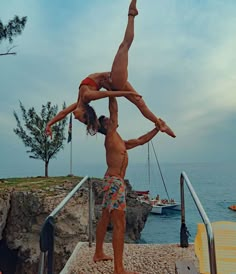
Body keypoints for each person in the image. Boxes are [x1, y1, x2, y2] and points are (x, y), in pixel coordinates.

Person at [93, 96, 160, 274]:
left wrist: (157, 129)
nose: (110, 120)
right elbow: (114, 110)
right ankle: (119, 269)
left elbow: (140, 140)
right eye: (106, 120)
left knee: (106, 217)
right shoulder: (110, 137)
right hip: (114, 182)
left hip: (113, 182)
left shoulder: (119, 141)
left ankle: (98, 252)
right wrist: (113, 91)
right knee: (120, 223)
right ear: (106, 126)